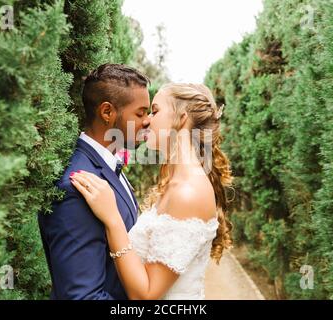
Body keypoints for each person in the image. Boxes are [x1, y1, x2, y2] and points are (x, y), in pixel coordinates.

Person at [70, 83, 233, 299]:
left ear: (182, 118)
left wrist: (112, 219)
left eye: (155, 111)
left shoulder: (188, 193)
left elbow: (145, 295)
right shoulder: (177, 183)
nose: (147, 120)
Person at [38, 63, 151, 299]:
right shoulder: (76, 188)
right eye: (140, 113)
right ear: (107, 112)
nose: (148, 121)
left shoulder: (107, 166)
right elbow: (82, 296)